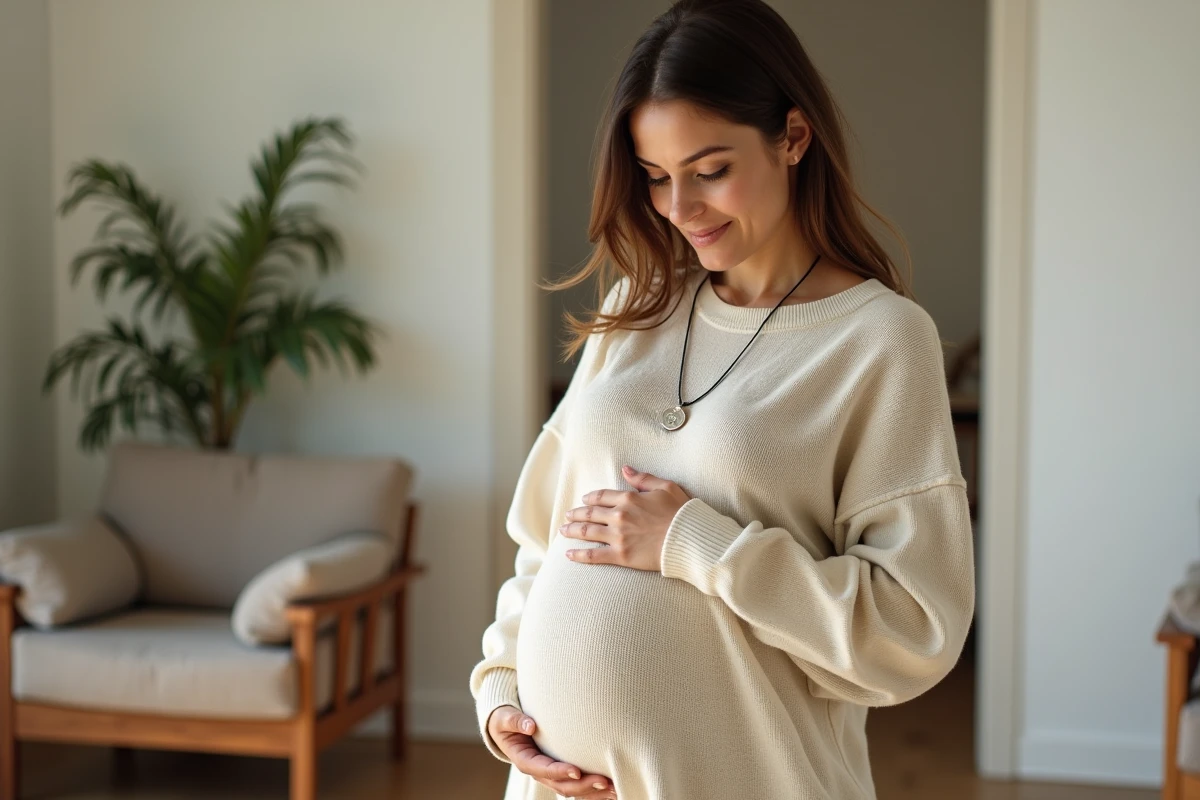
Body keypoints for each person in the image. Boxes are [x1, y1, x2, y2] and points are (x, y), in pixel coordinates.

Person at [468, 0, 975, 797]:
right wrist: (502, 692)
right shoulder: (638, 307)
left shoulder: (879, 338)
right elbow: (548, 543)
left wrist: (697, 545)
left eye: (710, 171)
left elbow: (911, 628)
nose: (680, 208)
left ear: (794, 138)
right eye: (657, 177)